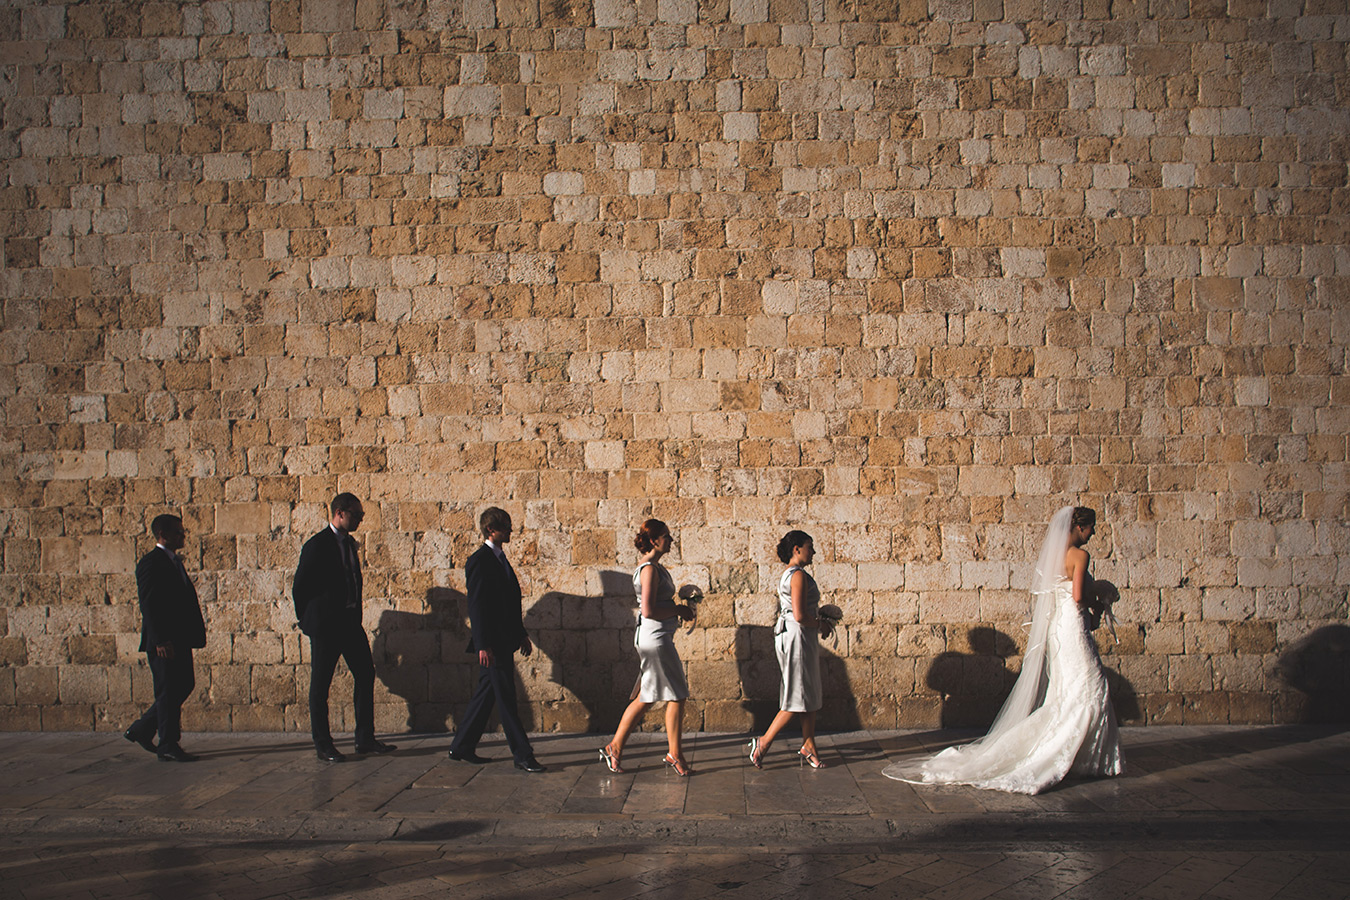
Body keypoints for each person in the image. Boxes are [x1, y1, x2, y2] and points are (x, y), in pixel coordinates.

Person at [883, 505, 1123, 794]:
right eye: (1092, 527)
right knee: (1090, 684)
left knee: (1067, 691)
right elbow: (1078, 595)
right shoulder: (1080, 555)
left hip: (1060, 628)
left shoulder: (1055, 557)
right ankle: (1085, 759)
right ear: (1080, 527)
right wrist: (1100, 594)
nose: (1094, 532)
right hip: (1074, 627)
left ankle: (1077, 755)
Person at [293, 493, 396, 762]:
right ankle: (323, 743)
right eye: (356, 515)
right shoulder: (317, 545)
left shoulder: (350, 545)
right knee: (321, 685)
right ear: (339, 512)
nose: (360, 520)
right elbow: (301, 587)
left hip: (350, 623)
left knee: (364, 673)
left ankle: (364, 738)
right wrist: (309, 622)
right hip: (327, 626)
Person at [448, 507, 545, 773]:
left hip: (504, 640)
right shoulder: (480, 561)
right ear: (491, 530)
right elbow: (477, 606)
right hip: (492, 644)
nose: (510, 531)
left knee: (486, 694)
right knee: (507, 699)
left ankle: (462, 746)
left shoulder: (500, 560)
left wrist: (521, 634)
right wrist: (482, 644)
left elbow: (509, 604)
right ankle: (523, 755)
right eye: (505, 526)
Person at [598, 519, 696, 776]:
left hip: (658, 637)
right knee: (676, 694)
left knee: (648, 697)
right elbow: (649, 610)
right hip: (655, 640)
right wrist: (677, 609)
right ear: (654, 540)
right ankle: (674, 754)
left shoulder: (656, 568)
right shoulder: (649, 570)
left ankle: (615, 747)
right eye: (666, 536)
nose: (671, 540)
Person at [126, 514, 206, 762]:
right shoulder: (151, 563)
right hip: (164, 642)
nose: (183, 536)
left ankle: (143, 729)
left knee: (183, 685)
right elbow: (149, 604)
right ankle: (168, 744)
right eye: (178, 532)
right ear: (163, 534)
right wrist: (160, 639)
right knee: (168, 690)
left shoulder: (172, 561)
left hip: (178, 638)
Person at [747, 530, 831, 769]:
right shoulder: (797, 576)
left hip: (797, 635)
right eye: (809, 546)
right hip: (797, 636)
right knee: (797, 692)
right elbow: (801, 614)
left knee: (808, 689)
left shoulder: (793, 575)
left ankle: (809, 745)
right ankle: (763, 743)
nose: (813, 551)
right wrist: (821, 624)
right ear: (797, 549)